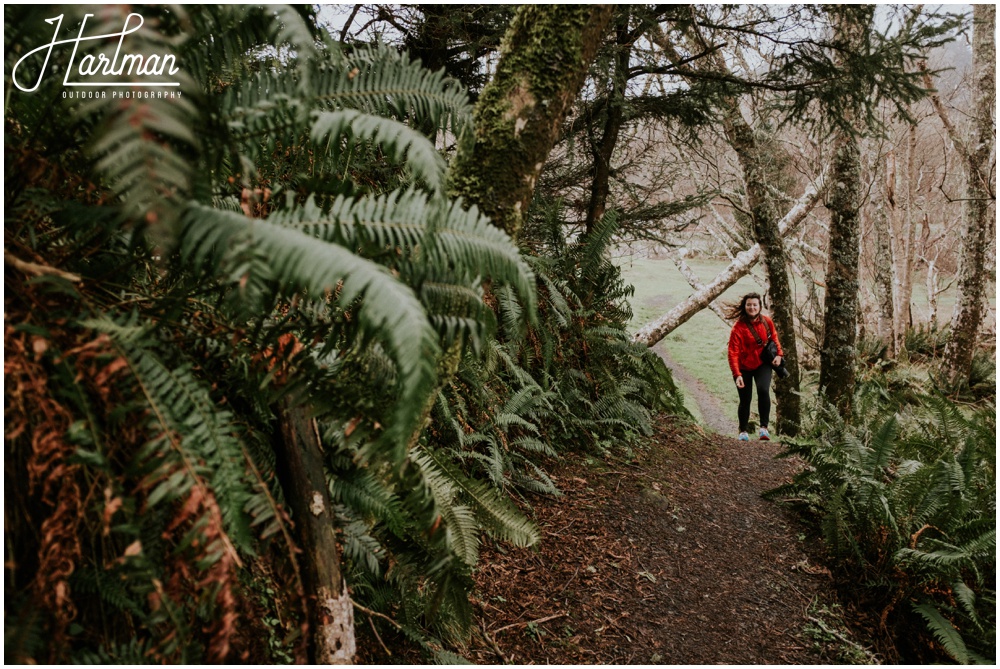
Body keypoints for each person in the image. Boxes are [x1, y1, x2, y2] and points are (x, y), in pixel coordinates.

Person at [726, 292, 783, 441]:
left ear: (760, 306)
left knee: (763, 390)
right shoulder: (738, 328)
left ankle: (764, 428)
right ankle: (743, 431)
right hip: (743, 367)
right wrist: (737, 374)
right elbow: (733, 352)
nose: (752, 307)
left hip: (762, 364)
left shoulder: (767, 322)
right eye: (749, 305)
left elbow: (774, 338)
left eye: (754, 305)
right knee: (745, 398)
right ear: (745, 307)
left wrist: (779, 355)